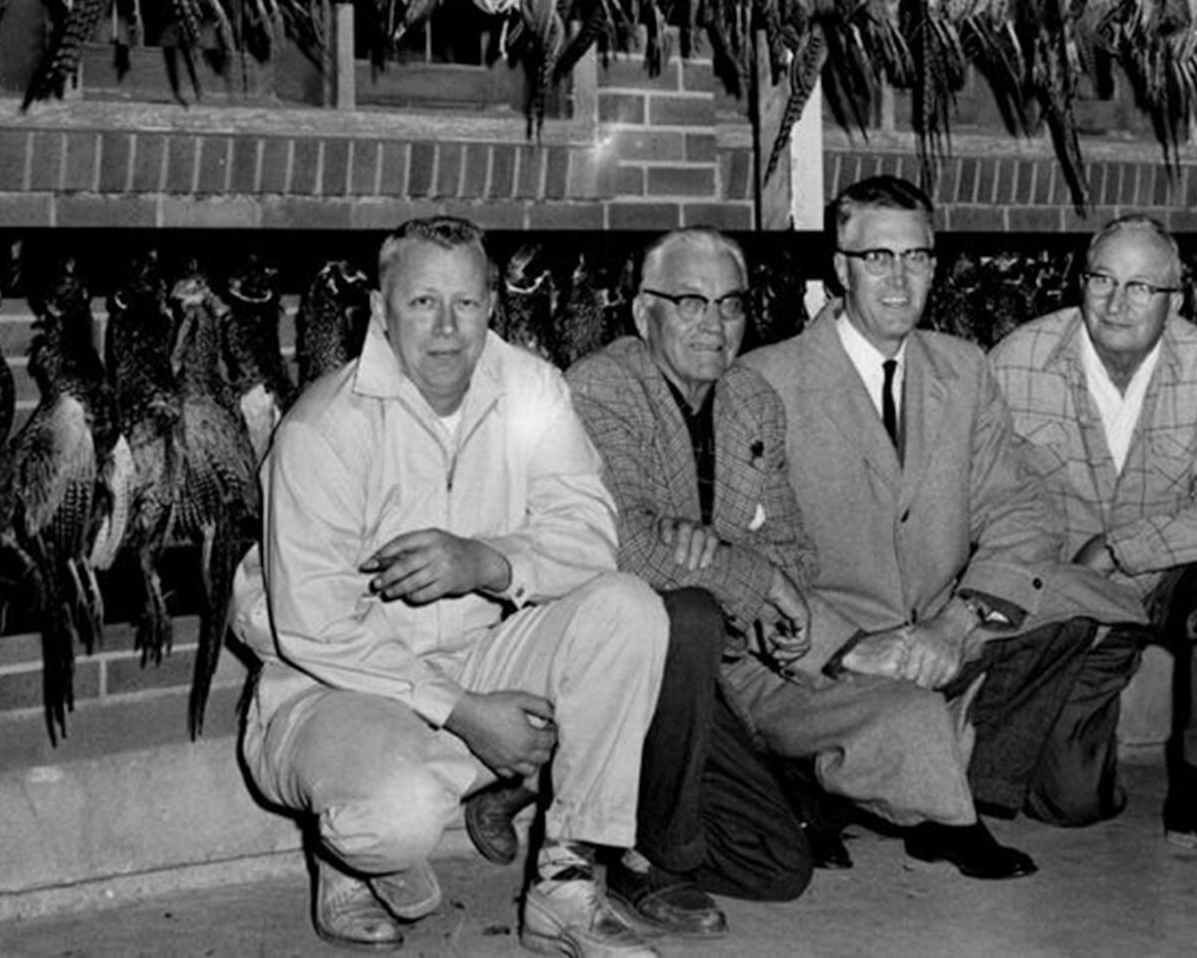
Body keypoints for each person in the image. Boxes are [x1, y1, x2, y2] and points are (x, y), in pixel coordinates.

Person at [230, 215, 669, 956]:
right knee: (387, 818)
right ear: (378, 310)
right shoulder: (323, 427)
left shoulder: (533, 392)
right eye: (421, 303)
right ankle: (350, 860)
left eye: (465, 303)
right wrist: (464, 713)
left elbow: (592, 538)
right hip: (334, 682)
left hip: (481, 652)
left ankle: (565, 887)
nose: (446, 328)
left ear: (493, 305)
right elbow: (314, 627)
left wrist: (485, 561)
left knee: (628, 612)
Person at [740, 174, 1136, 880]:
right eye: (877, 258)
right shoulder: (765, 381)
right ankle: (928, 805)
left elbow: (1018, 510)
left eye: (917, 257)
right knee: (908, 719)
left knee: (1094, 607)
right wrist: (852, 647)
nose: (899, 280)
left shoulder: (962, 367)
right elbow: (744, 556)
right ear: (840, 268)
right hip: (818, 655)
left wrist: (956, 624)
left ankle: (953, 777)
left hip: (935, 631)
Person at [989, 213, 1197, 862]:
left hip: (1169, 581)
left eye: (1141, 287)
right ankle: (1088, 734)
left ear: (1175, 300)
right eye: (1102, 279)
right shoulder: (1018, 361)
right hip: (1071, 600)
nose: (1117, 303)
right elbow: (979, 500)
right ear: (1082, 282)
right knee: (1069, 805)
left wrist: (1126, 547)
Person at [553, 228, 817, 936]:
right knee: (690, 610)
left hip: (700, 677)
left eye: (730, 304)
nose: (714, 324)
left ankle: (620, 821)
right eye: (690, 302)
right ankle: (649, 863)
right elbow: (629, 549)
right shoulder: (599, 388)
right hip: (609, 659)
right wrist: (749, 574)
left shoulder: (753, 400)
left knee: (779, 866)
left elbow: (797, 553)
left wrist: (728, 560)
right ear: (645, 314)